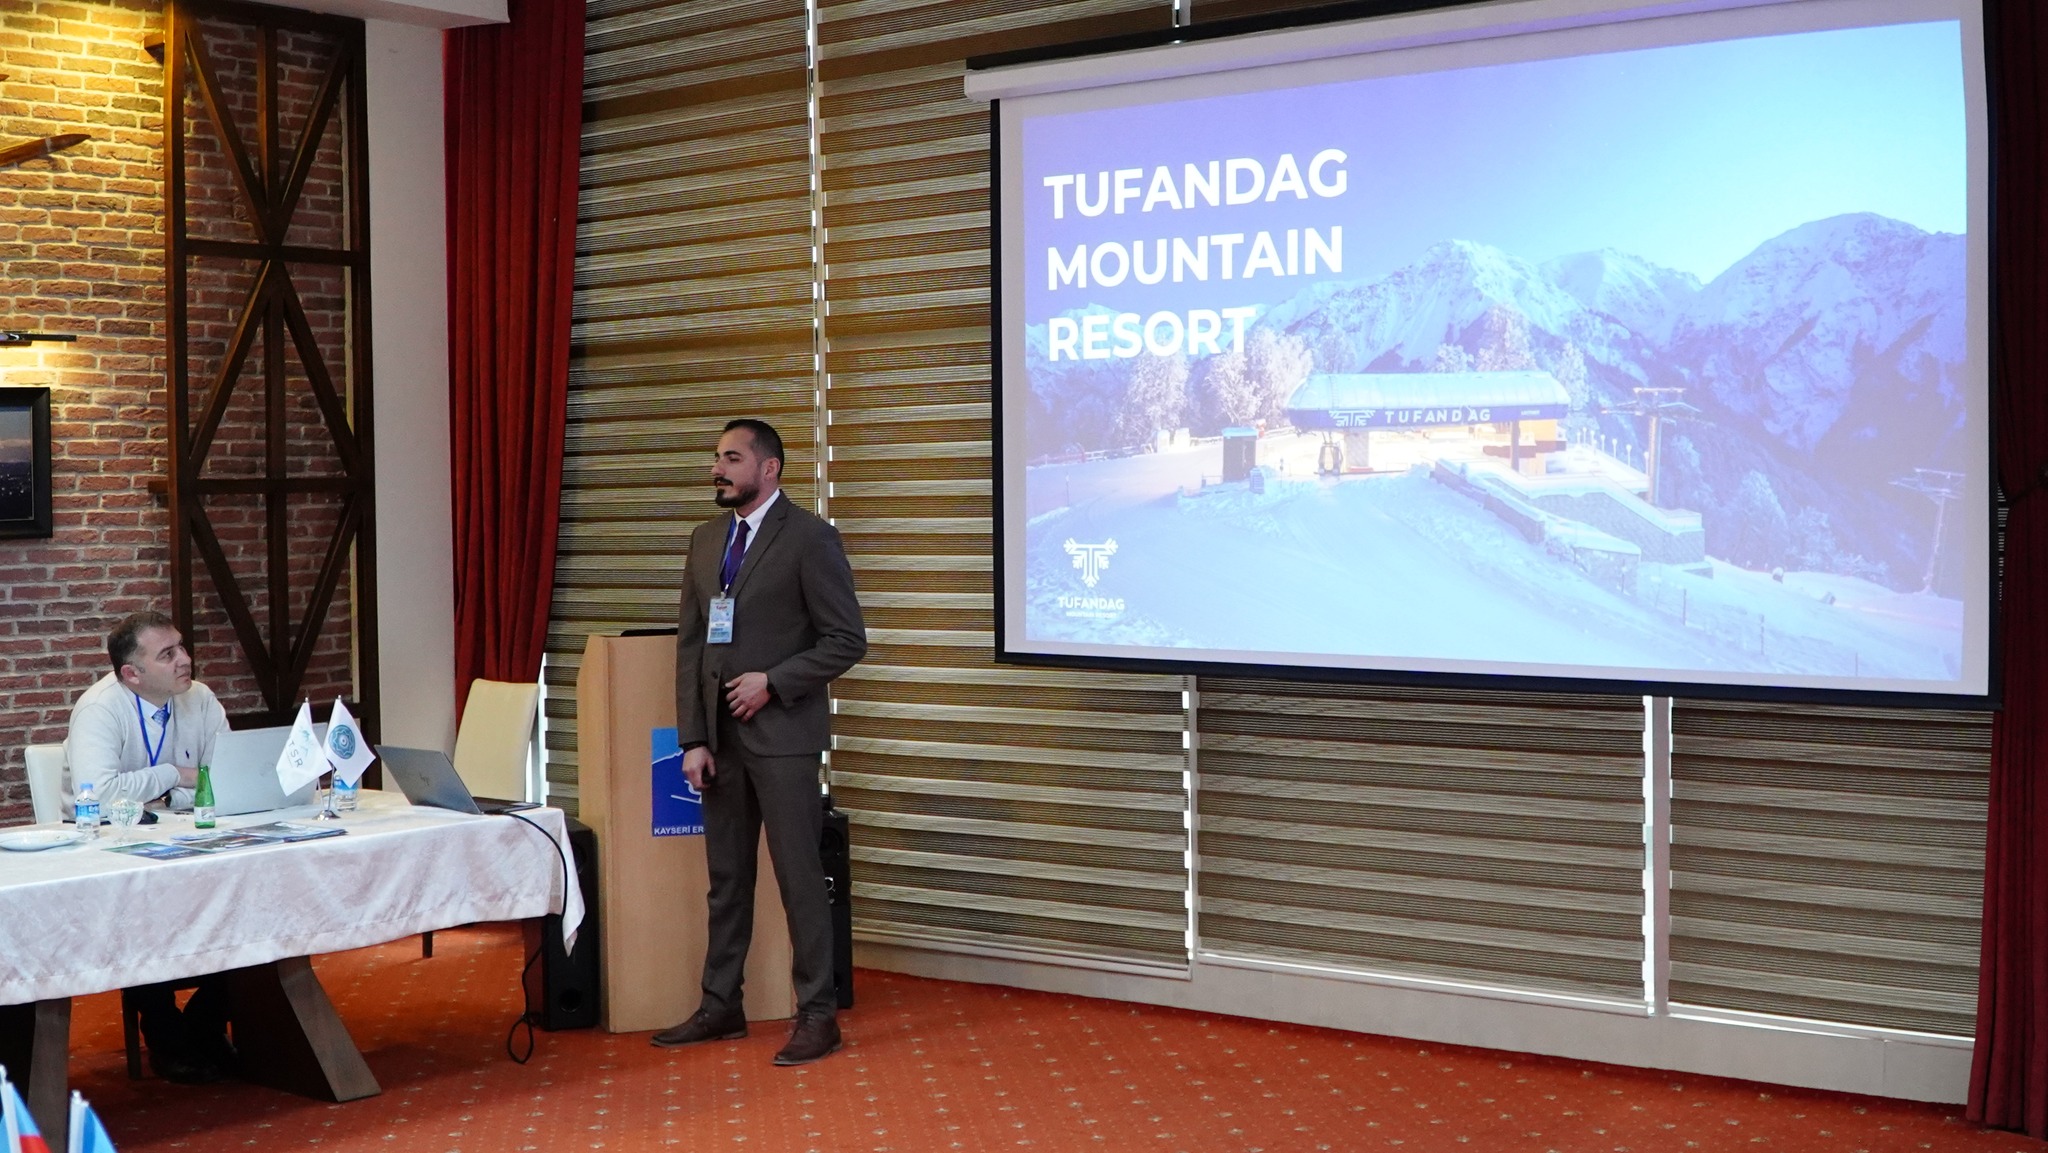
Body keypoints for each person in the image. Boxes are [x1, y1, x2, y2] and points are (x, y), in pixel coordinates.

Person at [654, 418, 867, 1066]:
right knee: (727, 879)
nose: (716, 469)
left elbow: (845, 639)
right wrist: (693, 737)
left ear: (769, 468)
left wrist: (773, 681)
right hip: (720, 742)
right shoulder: (705, 539)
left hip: (784, 739)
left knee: (799, 877)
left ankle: (818, 1014)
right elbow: (691, 646)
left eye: (731, 458)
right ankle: (721, 1004)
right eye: (716, 458)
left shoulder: (809, 538)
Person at [64, 611, 235, 1084]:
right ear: (132, 674)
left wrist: (167, 794)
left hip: (189, 839)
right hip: (111, 848)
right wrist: (173, 775)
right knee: (139, 917)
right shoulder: (101, 709)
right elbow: (98, 796)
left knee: (247, 897)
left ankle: (204, 1024)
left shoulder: (200, 699)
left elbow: (225, 780)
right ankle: (165, 1035)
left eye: (181, 646)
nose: (185, 659)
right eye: (168, 654)